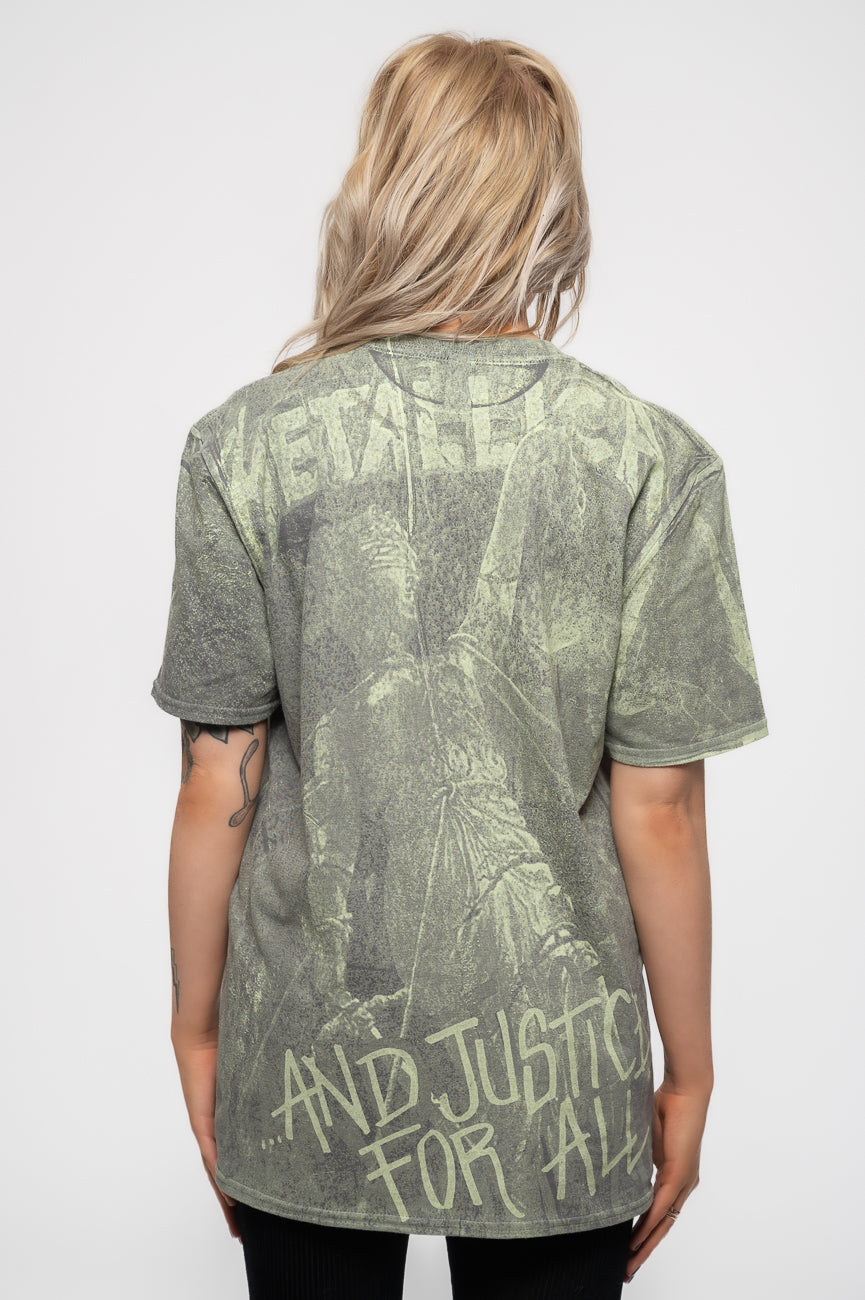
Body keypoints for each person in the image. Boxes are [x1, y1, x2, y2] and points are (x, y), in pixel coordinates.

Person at [151, 31, 769, 1300]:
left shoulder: (244, 446)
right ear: (550, 204)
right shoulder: (649, 458)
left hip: (311, 1058)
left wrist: (197, 1027)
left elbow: (219, 783)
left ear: (378, 185)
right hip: (555, 1066)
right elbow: (660, 806)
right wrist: (691, 1070)